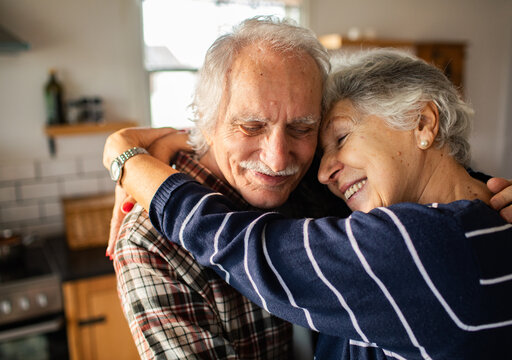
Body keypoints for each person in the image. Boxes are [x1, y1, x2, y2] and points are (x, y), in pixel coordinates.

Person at [103, 49, 512, 359]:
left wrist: (125, 156)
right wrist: (197, 136)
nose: (324, 171)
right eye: (251, 125)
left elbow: (243, 244)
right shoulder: (498, 217)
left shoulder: (421, 244)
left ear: (423, 123)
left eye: (341, 138)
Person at [108, 16, 346, 359]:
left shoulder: (318, 181)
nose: (278, 160)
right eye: (251, 127)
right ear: (207, 122)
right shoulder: (151, 240)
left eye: (301, 128)